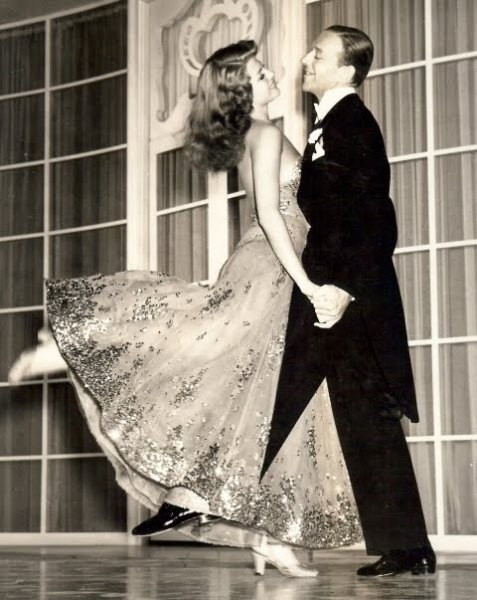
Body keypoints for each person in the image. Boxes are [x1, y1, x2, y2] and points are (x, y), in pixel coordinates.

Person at [8, 40, 361, 576]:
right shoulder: (264, 134)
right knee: (206, 344)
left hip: (269, 263)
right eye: (261, 74)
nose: (272, 77)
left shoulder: (260, 135)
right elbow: (270, 214)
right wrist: (310, 284)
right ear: (244, 92)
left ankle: (262, 535)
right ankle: (74, 342)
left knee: (259, 396)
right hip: (273, 266)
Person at [259, 25, 436, 577]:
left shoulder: (352, 123)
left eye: (318, 55)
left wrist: (342, 290)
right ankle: (406, 547)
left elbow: (373, 217)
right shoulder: (328, 124)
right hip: (330, 289)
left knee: (333, 410)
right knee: (328, 409)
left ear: (346, 71)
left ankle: (406, 547)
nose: (306, 61)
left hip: (345, 294)